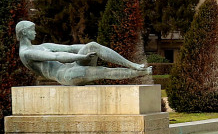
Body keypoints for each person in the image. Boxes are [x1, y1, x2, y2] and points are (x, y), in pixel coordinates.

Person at [15, 20, 151, 86]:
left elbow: (69, 48)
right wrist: (82, 57)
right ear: (24, 32)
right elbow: (56, 56)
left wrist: (89, 48)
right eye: (32, 30)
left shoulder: (42, 46)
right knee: (103, 71)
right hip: (65, 75)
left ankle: (133, 65)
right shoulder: (26, 53)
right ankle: (142, 72)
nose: (35, 32)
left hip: (71, 66)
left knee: (92, 45)